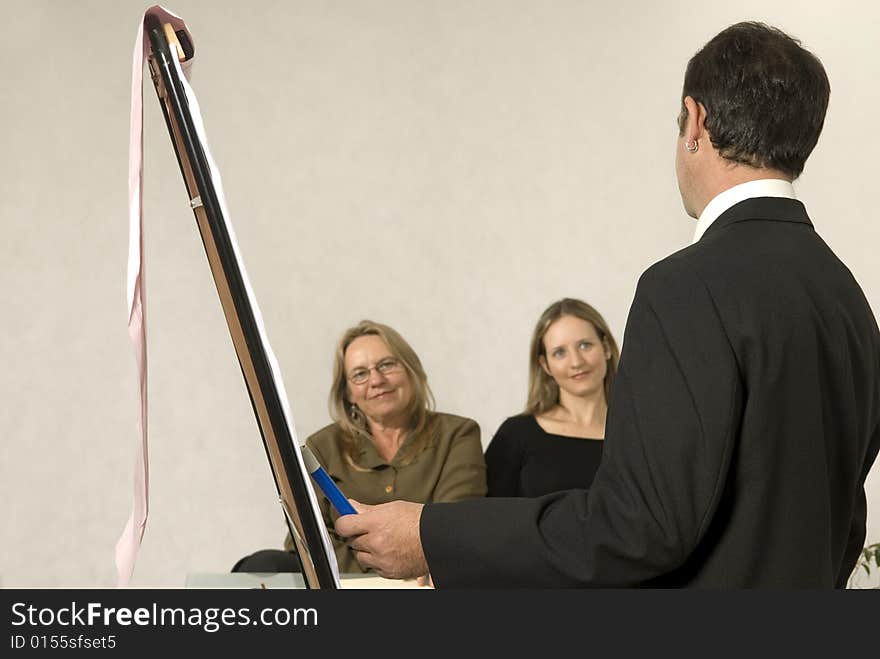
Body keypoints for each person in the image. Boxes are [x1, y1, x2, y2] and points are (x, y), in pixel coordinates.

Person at [335, 22, 880, 588]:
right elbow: (844, 523)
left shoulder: (684, 285)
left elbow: (641, 526)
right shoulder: (847, 299)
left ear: (696, 121)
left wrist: (430, 536)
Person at [285, 319, 486, 575]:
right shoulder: (321, 447)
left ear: (411, 369)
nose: (376, 380)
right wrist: (381, 575)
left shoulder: (458, 434)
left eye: (387, 365)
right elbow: (303, 541)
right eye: (360, 374)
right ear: (347, 393)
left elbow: (456, 527)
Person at [486, 298, 619, 497]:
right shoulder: (516, 435)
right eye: (559, 353)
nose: (576, 362)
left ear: (606, 348)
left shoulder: (638, 435)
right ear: (545, 365)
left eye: (585, 345)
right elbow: (487, 518)